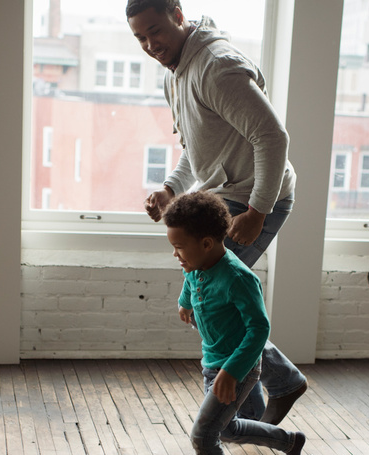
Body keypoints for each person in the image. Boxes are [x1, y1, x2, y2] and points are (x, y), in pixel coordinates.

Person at [126, 0, 307, 425]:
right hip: (228, 193)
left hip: (257, 197)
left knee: (220, 300)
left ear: (178, 13)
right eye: (140, 38)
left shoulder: (217, 67)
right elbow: (202, 151)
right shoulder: (177, 73)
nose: (151, 45)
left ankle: (270, 393)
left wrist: (258, 212)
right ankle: (261, 406)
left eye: (156, 30)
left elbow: (273, 138)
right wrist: (171, 189)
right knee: (215, 299)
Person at [163, 191, 305, 455]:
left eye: (180, 247)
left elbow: (259, 329)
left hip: (237, 368)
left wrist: (231, 371)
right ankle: (289, 441)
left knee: (203, 435)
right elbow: (190, 278)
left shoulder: (238, 278)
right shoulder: (198, 263)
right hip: (213, 364)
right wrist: (184, 300)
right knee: (227, 430)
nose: (176, 254)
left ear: (208, 243)